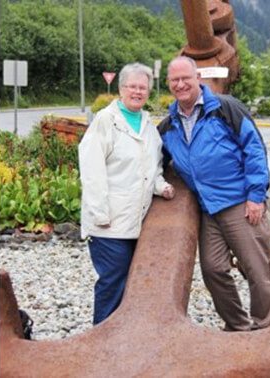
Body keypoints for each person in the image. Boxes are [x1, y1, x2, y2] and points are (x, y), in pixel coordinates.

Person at [158, 56, 270, 331]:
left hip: (240, 203)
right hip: (208, 209)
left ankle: (265, 327)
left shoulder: (225, 108)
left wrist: (256, 196)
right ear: (169, 85)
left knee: (258, 270)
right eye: (175, 80)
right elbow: (154, 164)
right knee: (213, 269)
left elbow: (254, 149)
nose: (181, 84)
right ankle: (237, 326)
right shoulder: (168, 126)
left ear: (198, 78)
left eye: (186, 78)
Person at [79, 62, 175, 325]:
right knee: (113, 281)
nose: (137, 91)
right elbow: (91, 170)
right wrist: (100, 214)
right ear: (120, 89)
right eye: (132, 86)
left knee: (131, 282)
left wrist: (161, 186)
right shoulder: (105, 122)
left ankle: (123, 337)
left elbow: (152, 168)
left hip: (136, 222)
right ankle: (101, 337)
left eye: (142, 87)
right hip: (109, 222)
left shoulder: (148, 124)